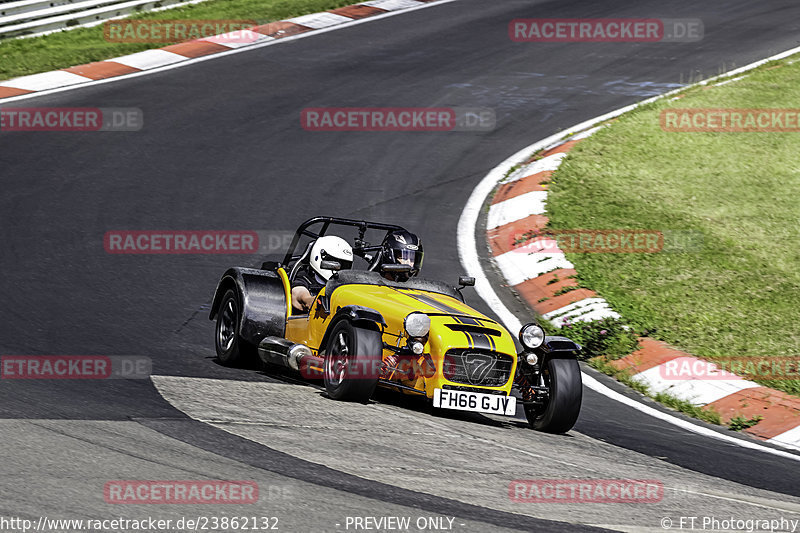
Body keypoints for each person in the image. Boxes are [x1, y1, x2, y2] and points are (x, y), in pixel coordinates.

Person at [291, 235, 353, 312]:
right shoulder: (303, 279)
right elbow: (299, 293)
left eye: (345, 265)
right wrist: (309, 300)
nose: (340, 268)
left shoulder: (343, 286)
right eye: (337, 263)